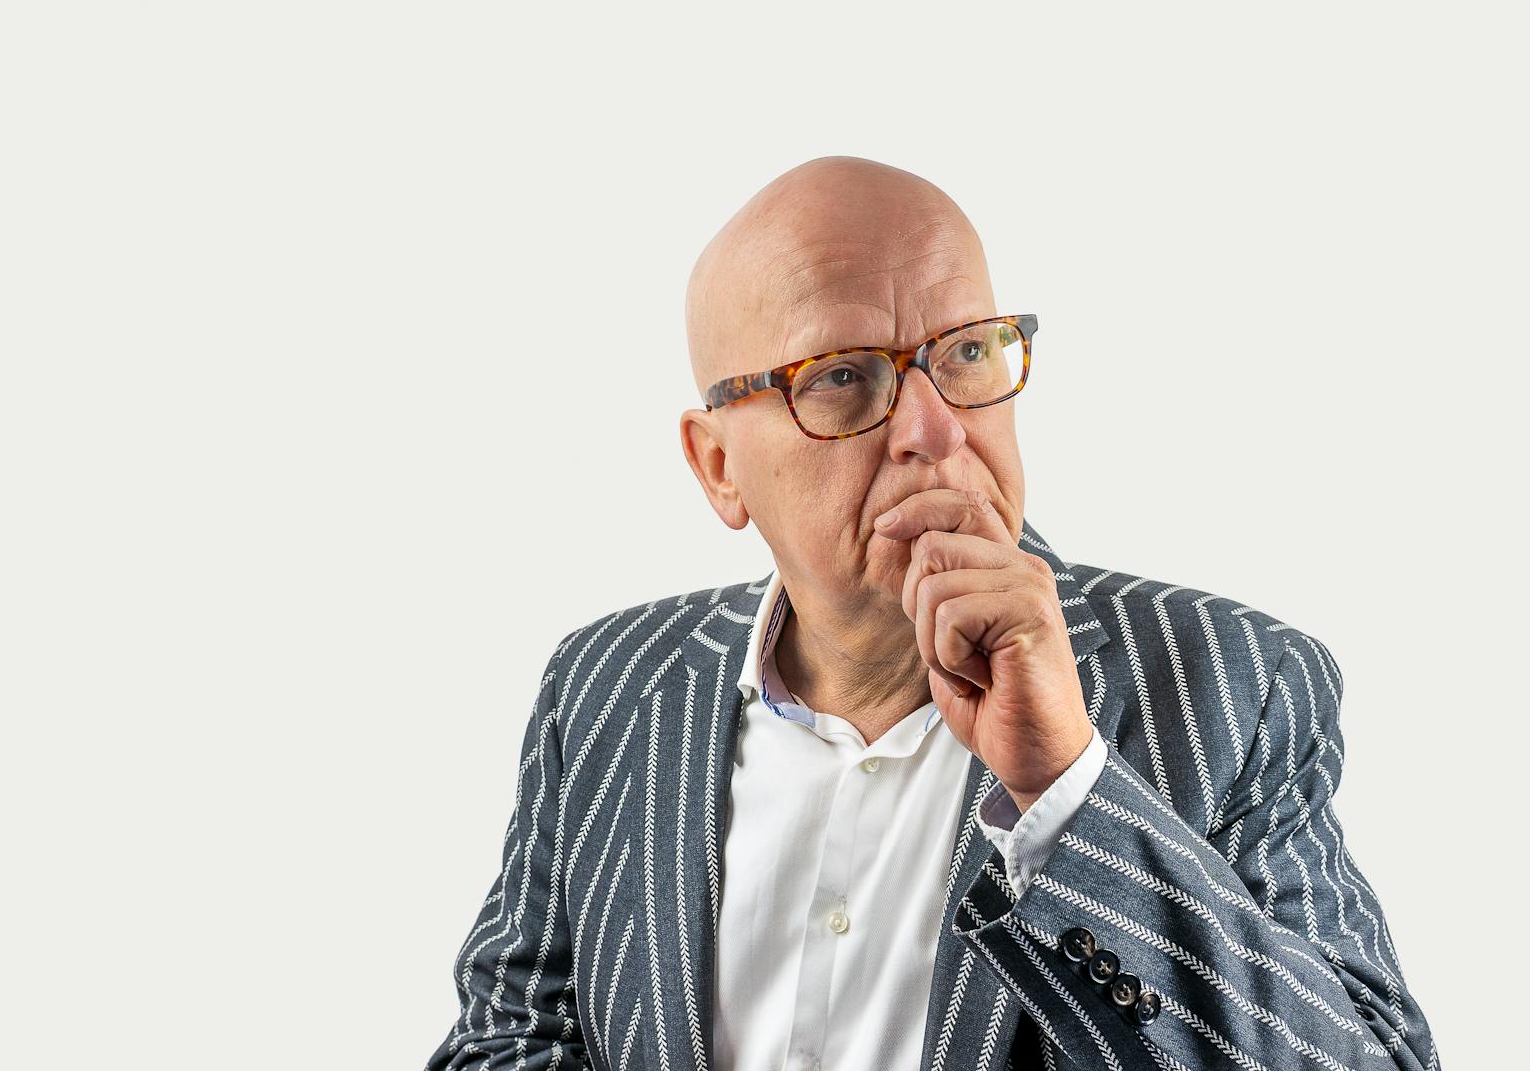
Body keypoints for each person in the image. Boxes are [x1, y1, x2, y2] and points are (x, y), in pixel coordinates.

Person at [424, 156, 1441, 1071]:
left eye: (964, 354)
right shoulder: (607, 685)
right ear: (717, 464)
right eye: (841, 376)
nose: (932, 429)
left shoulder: (1229, 683)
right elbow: (506, 1038)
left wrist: (1067, 790)